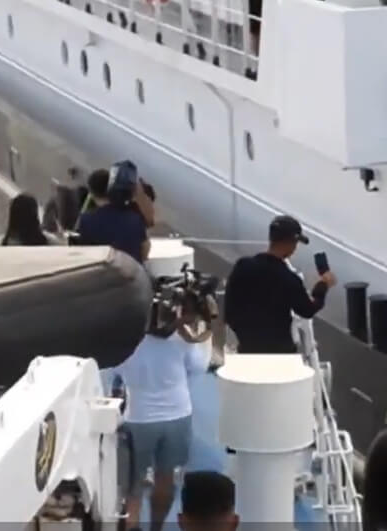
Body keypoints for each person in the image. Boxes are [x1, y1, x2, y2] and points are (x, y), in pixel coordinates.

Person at [114, 306, 212, 531]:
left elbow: (116, 369)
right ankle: (156, 528)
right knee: (165, 479)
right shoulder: (181, 338)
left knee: (133, 485)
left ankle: (131, 527)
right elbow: (198, 368)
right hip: (177, 416)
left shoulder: (128, 342)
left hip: (138, 420)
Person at [223, 215, 337, 353]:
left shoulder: (242, 266)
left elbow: (229, 311)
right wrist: (323, 285)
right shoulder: (289, 279)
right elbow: (308, 310)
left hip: (247, 350)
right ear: (290, 243)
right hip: (280, 354)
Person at [75, 165, 151, 262]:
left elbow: (84, 253)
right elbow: (145, 247)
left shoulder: (86, 220)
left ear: (92, 193)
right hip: (132, 272)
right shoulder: (134, 217)